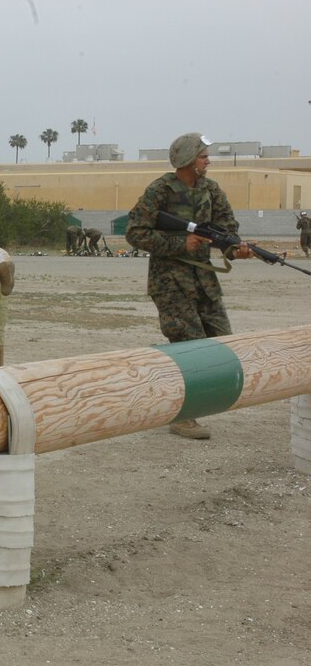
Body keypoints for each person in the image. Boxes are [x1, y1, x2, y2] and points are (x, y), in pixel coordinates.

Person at [126, 132, 252, 440]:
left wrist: (237, 249)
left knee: (222, 342)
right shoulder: (160, 190)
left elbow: (227, 230)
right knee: (189, 346)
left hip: (203, 280)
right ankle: (183, 416)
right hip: (170, 282)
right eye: (202, 156)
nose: (208, 160)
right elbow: (135, 232)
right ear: (186, 161)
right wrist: (180, 242)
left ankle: (194, 399)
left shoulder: (211, 190)